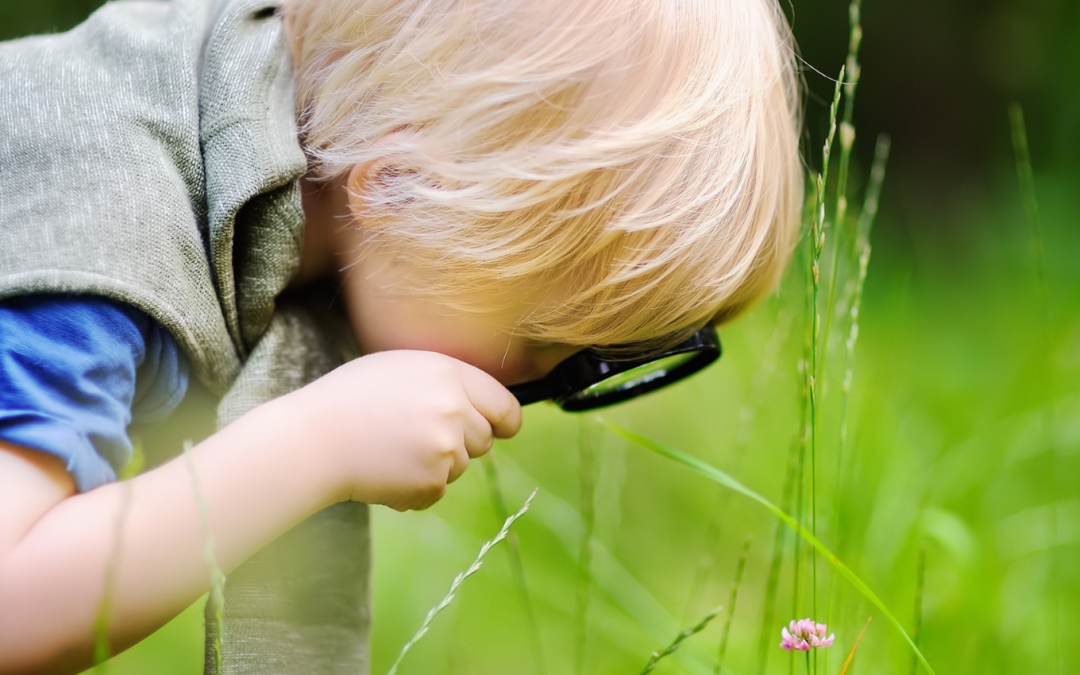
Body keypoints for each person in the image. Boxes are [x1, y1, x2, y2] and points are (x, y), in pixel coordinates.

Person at [0, 0, 802, 672]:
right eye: (537, 343)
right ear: (400, 191)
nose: (530, 394)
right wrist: (315, 442)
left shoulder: (238, 112)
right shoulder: (96, 222)